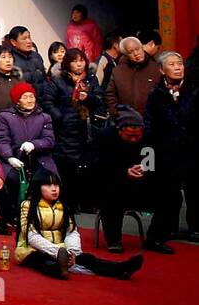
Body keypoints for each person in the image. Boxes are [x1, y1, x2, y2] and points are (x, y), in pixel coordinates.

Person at [15, 170, 142, 279]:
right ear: (38, 187)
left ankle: (120, 269)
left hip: (62, 249)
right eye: (48, 185)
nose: (54, 189)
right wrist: (57, 252)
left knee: (88, 259)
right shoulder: (27, 206)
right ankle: (60, 269)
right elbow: (30, 236)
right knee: (42, 260)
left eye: (56, 185)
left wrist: (73, 252)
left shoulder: (63, 206)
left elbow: (71, 231)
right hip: (32, 249)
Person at [90, 109, 176, 254]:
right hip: (113, 184)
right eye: (130, 136)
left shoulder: (148, 138)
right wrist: (124, 172)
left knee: (171, 195)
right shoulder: (105, 137)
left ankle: (155, 239)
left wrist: (145, 168)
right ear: (120, 130)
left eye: (137, 136)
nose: (134, 139)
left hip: (141, 185)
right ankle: (113, 240)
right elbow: (98, 167)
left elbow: (157, 163)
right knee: (110, 192)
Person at [42, 47, 107, 213]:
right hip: (66, 128)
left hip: (88, 128)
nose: (79, 65)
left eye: (81, 60)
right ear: (67, 63)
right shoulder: (58, 80)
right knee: (68, 166)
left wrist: (89, 97)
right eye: (75, 61)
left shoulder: (90, 79)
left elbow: (100, 100)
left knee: (88, 165)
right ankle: (70, 202)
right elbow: (48, 103)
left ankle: (87, 202)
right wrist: (62, 118)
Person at [143, 51, 192, 242]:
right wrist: (148, 154)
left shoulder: (194, 90)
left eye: (180, 63)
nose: (178, 67)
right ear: (162, 70)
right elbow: (149, 122)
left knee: (194, 190)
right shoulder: (156, 93)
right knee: (169, 192)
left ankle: (195, 227)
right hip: (165, 149)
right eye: (172, 64)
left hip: (191, 148)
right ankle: (168, 227)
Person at [0, 82, 58, 214]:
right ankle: (12, 213)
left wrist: (34, 144)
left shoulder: (44, 117)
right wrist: (9, 157)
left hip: (39, 157)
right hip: (15, 157)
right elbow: (2, 140)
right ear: (17, 101)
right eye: (25, 97)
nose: (30, 100)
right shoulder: (5, 116)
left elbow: (49, 140)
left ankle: (42, 212)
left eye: (32, 96)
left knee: (45, 178)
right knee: (12, 179)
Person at [105, 36, 163, 115]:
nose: (136, 54)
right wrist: (116, 113)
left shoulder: (156, 68)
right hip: (126, 120)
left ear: (142, 47)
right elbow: (110, 95)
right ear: (125, 55)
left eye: (137, 49)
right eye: (130, 52)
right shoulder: (118, 71)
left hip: (152, 119)